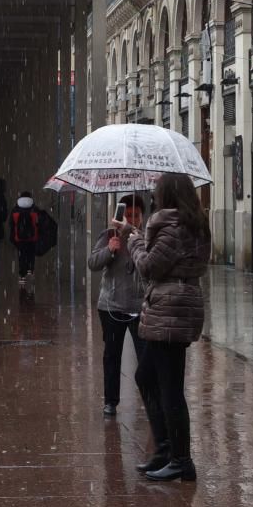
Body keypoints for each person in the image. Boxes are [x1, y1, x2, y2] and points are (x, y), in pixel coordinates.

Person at [121, 173, 211, 483]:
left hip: (171, 309)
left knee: (170, 387)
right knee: (146, 375)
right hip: (175, 307)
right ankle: (164, 449)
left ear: (168, 195)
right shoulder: (190, 224)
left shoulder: (174, 229)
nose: (154, 197)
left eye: (158, 192)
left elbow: (148, 267)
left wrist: (133, 241)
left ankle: (181, 459)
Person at [87, 194, 147, 417]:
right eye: (127, 215)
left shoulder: (145, 237)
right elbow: (93, 263)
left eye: (136, 216)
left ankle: (150, 399)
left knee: (145, 356)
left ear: (142, 216)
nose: (131, 219)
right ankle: (111, 401)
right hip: (111, 306)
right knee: (112, 355)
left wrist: (136, 237)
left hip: (139, 307)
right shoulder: (109, 235)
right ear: (119, 214)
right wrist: (109, 250)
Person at [9, 190, 40, 284]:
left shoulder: (15, 210)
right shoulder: (35, 209)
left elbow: (11, 224)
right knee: (31, 253)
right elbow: (39, 223)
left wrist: (13, 237)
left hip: (19, 237)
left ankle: (22, 274)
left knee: (22, 255)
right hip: (32, 237)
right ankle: (30, 270)